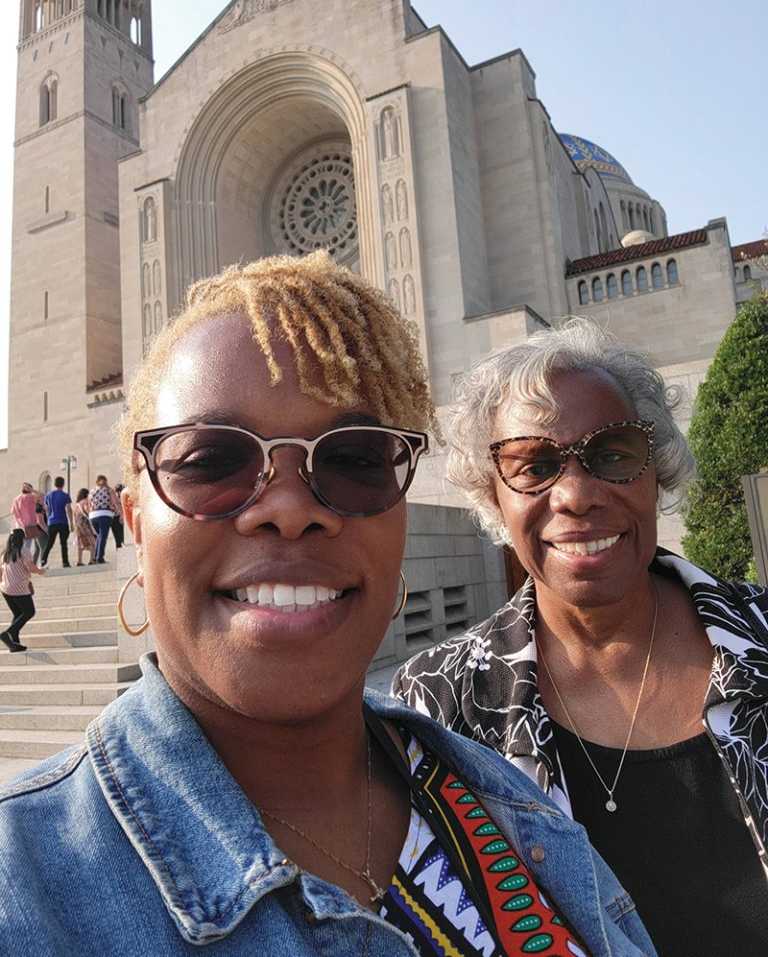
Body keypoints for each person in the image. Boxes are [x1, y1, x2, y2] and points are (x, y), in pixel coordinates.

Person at [0, 256, 655, 956]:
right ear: (133, 524)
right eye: (211, 460)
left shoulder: (508, 798)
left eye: (354, 459)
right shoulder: (26, 885)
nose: (288, 509)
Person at [394, 317, 768, 957]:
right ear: (495, 499)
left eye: (613, 452)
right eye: (533, 465)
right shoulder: (439, 706)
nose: (574, 494)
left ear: (657, 471)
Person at [0, 528, 46, 652]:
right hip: (19, 588)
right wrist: (41, 571)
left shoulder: (4, 553)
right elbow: (30, 567)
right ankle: (8, 633)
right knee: (29, 611)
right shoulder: (24, 551)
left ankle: (14, 643)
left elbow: (0, 572)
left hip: (5, 588)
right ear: (23, 538)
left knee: (18, 613)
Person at [87, 474, 122, 563]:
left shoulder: (92, 491)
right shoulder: (109, 490)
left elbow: (89, 505)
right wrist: (121, 514)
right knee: (103, 535)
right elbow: (116, 502)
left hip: (93, 515)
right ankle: (100, 557)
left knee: (99, 535)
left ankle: (95, 556)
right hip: (105, 513)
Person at [41, 476, 73, 568]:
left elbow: (46, 509)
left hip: (52, 521)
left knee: (50, 542)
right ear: (63, 484)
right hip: (63, 521)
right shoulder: (65, 495)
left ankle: (43, 559)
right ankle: (65, 562)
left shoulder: (48, 495)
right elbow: (69, 509)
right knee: (63, 543)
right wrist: (71, 523)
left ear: (54, 484)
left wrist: (48, 519)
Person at [72, 487, 96, 566]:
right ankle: (92, 560)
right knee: (92, 542)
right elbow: (87, 511)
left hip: (78, 526)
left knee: (80, 543)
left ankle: (79, 561)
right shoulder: (85, 502)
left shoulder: (76, 505)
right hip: (85, 525)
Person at [111, 483, 125, 550]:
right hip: (115, 518)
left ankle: (121, 550)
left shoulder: (124, 498)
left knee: (121, 536)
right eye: (117, 491)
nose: (119, 493)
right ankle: (119, 550)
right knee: (117, 537)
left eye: (120, 491)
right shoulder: (113, 499)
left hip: (121, 518)